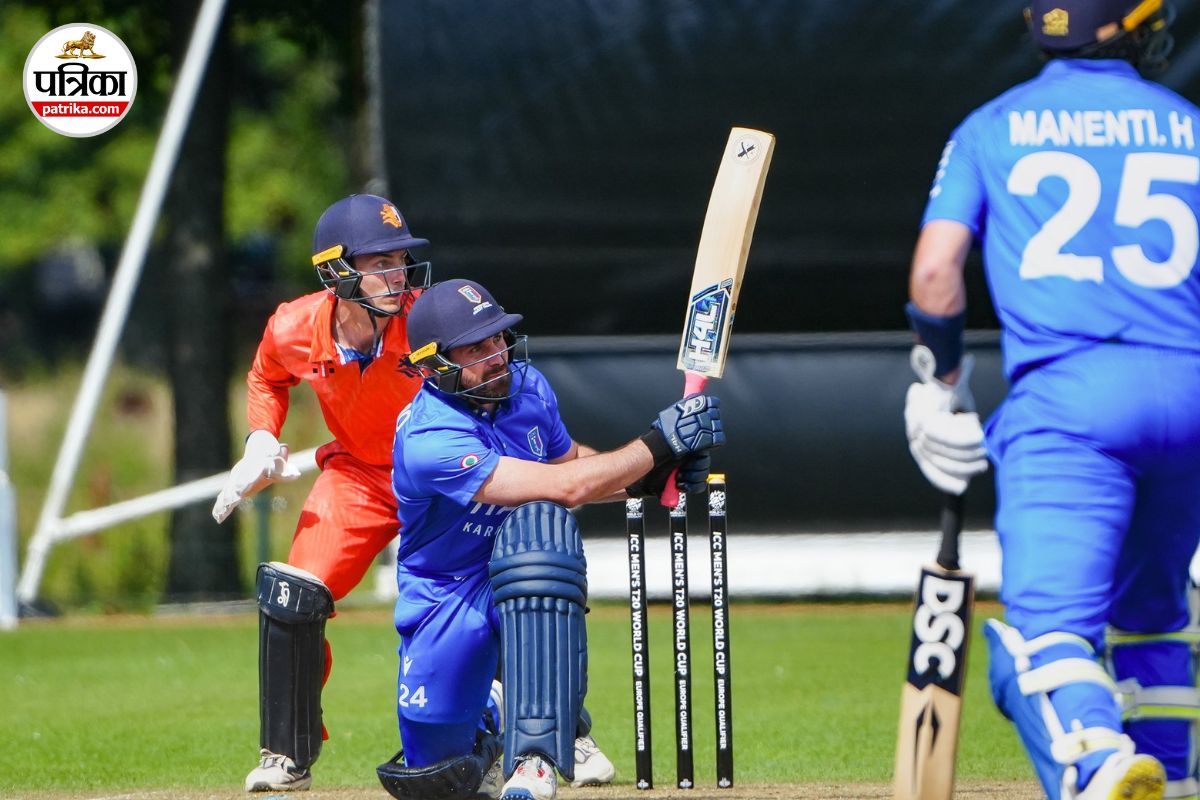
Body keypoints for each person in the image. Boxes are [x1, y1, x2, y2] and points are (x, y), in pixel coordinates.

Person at [903, 2, 1200, 799]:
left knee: (1045, 635)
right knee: (1156, 614)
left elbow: (935, 273)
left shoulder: (992, 126)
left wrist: (942, 385)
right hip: (1190, 393)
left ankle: (1097, 763)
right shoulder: (1190, 125)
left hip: (1070, 407)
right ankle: (1170, 779)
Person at [376, 278, 722, 800]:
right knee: (439, 776)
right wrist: (658, 445)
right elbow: (568, 486)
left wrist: (646, 480)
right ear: (434, 365)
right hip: (446, 592)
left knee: (541, 534)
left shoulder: (528, 388)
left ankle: (534, 755)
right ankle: (496, 715)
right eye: (476, 348)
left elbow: (570, 466)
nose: (498, 355)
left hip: (517, 570)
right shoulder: (429, 437)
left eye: (499, 338)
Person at [211, 193, 432, 792]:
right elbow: (266, 375)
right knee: (292, 597)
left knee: (488, 597)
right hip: (358, 474)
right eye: (380, 262)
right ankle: (286, 754)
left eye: (401, 260)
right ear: (337, 272)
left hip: (439, 478)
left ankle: (560, 733)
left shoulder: (430, 318)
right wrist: (261, 437)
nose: (398, 274)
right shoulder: (292, 326)